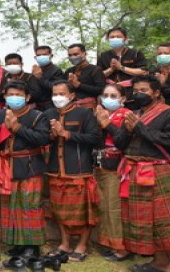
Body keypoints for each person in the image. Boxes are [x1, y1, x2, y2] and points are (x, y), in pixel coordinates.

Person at [113, 75, 170, 272]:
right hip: (135, 171)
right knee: (148, 221)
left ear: (156, 93)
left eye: (144, 90)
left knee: (168, 220)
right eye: (136, 90)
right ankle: (159, 262)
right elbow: (119, 143)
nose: (139, 94)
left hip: (160, 171)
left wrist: (139, 128)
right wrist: (129, 130)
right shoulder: (133, 113)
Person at [0, 81, 50, 259]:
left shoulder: (38, 116)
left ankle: (32, 246)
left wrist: (17, 128)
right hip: (6, 167)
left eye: (18, 94)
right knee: (10, 206)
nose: (14, 98)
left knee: (30, 206)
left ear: (27, 97)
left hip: (30, 165)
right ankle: (16, 244)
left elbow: (42, 138)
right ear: (5, 97)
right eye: (10, 94)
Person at [43, 80, 101, 262]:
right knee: (58, 209)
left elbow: (95, 138)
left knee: (83, 211)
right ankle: (64, 243)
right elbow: (43, 138)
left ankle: (82, 245)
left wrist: (67, 134)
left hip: (79, 169)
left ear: (72, 95)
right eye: (54, 94)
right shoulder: (48, 113)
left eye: (61, 94)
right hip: (55, 170)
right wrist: (51, 136)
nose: (57, 97)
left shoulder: (84, 113)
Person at [93, 84, 133, 261]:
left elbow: (123, 141)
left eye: (113, 95)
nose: (108, 98)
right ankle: (107, 242)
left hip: (116, 166)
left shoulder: (127, 115)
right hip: (99, 164)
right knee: (103, 205)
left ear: (123, 99)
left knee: (114, 206)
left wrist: (106, 124)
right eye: (105, 95)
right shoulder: (100, 113)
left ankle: (122, 247)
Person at [97, 27, 148, 109]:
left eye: (118, 36)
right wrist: (111, 69)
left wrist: (121, 67)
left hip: (131, 94)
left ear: (125, 38)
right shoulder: (103, 55)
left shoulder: (135, 53)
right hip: (110, 95)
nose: (115, 39)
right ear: (107, 39)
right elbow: (98, 75)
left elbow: (143, 71)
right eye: (112, 37)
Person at [65, 43, 106, 109]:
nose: (72, 57)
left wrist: (79, 85)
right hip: (70, 107)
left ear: (84, 54)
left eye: (75, 54)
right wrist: (68, 84)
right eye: (70, 55)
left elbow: (101, 90)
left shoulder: (95, 70)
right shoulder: (69, 71)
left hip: (89, 107)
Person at [31, 45, 65, 111]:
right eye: (39, 55)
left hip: (52, 106)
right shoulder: (35, 70)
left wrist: (40, 78)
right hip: (37, 107)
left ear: (51, 56)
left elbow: (57, 88)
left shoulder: (56, 70)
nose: (41, 57)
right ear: (35, 57)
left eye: (44, 55)